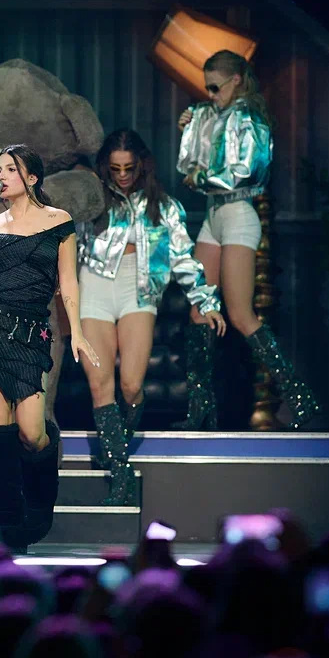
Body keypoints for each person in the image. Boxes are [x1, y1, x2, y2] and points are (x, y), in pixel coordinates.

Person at [0, 145, 99, 551]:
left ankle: (38, 504)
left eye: (10, 170)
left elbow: (68, 281)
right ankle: (5, 524)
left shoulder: (59, 221)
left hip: (30, 334)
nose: (0, 176)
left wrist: (78, 331)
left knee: (32, 435)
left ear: (32, 178)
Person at [78, 130, 227, 502]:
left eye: (128, 168)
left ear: (141, 164)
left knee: (130, 385)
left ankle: (117, 444)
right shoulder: (91, 197)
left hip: (139, 290)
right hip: (94, 286)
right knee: (100, 384)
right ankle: (121, 475)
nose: (122, 175)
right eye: (115, 168)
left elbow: (183, 258)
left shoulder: (164, 206)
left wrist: (205, 301)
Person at [176, 50, 319, 429]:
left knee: (240, 315)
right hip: (214, 216)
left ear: (236, 80)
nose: (210, 95)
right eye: (207, 88)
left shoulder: (251, 118)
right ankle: (200, 411)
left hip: (239, 214)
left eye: (215, 87)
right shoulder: (211, 114)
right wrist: (189, 130)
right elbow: (188, 166)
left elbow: (244, 172)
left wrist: (201, 177)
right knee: (199, 312)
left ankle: (299, 397)